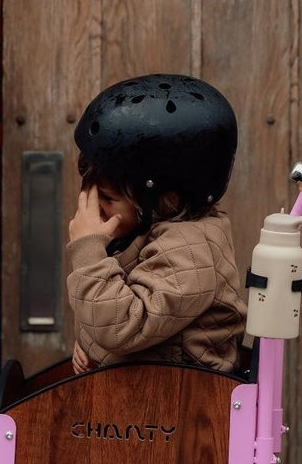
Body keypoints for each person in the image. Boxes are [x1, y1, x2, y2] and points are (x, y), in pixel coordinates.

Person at [66, 73, 247, 375]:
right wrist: (90, 341)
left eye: (107, 198)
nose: (92, 210)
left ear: (167, 201)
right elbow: (111, 316)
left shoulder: (189, 251)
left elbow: (123, 326)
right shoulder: (146, 233)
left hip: (184, 407)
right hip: (150, 400)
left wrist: (88, 253)